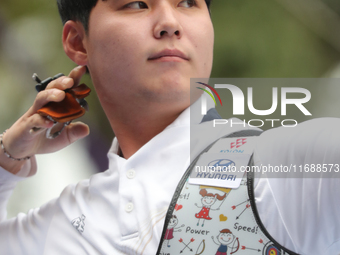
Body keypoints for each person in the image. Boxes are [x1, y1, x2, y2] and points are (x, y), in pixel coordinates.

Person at [0, 0, 339, 254]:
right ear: (77, 42)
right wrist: (7, 161)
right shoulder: (66, 224)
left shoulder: (281, 170)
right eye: (136, 4)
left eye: (188, 2)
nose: (169, 23)